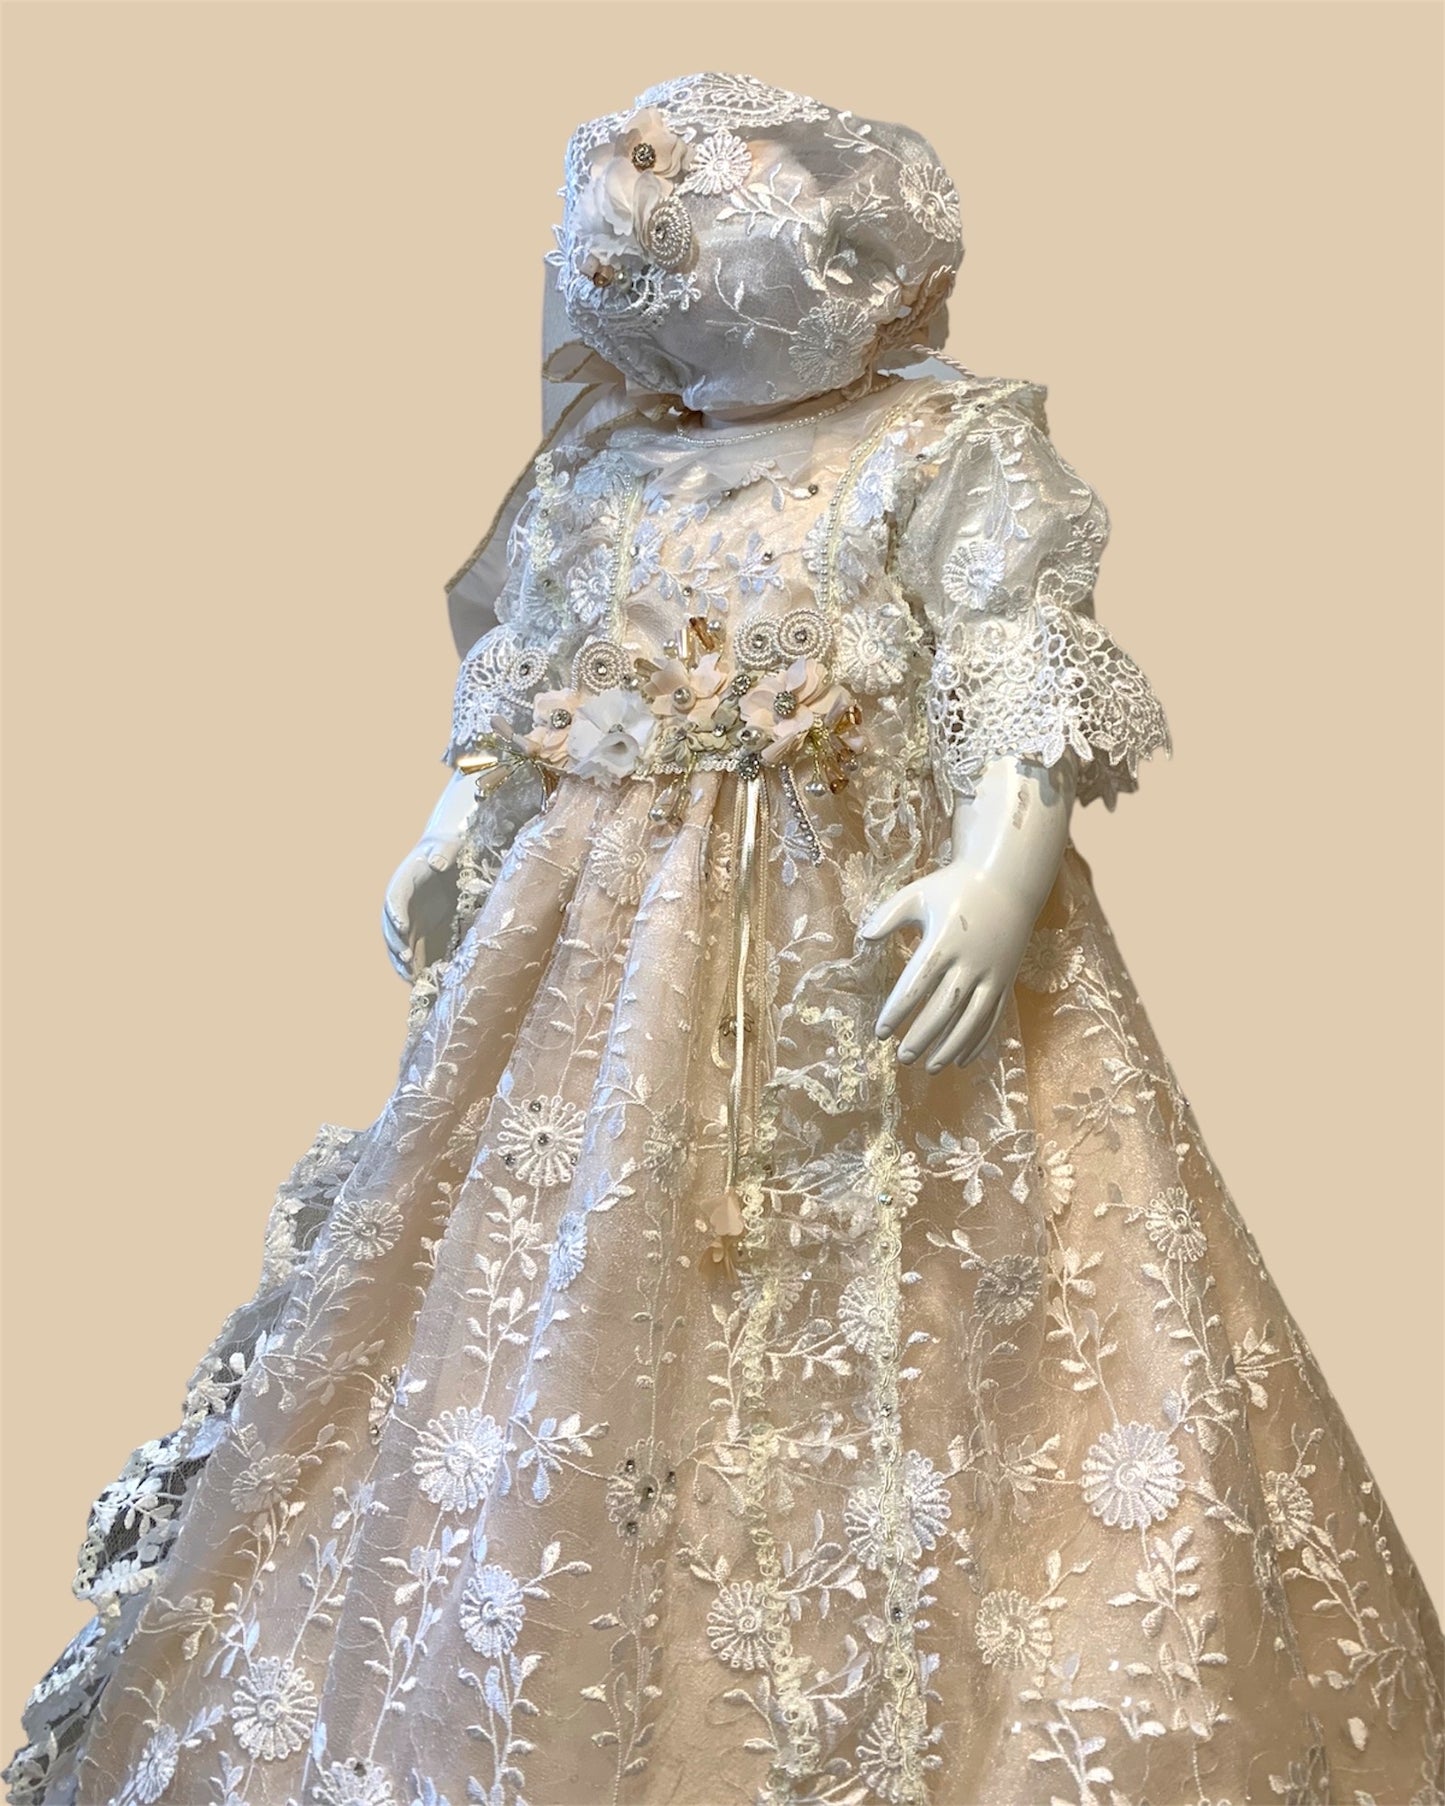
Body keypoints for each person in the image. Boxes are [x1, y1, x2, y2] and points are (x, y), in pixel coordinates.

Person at [7, 69, 1441, 1806]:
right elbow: (534, 669)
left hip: (880, 942)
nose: (646, 291)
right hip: (599, 967)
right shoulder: (609, 474)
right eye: (633, 271)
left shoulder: (944, 449)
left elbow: (1014, 656)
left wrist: (999, 871)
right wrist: (460, 818)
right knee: (566, 1310)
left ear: (853, 266)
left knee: (985, 1309)